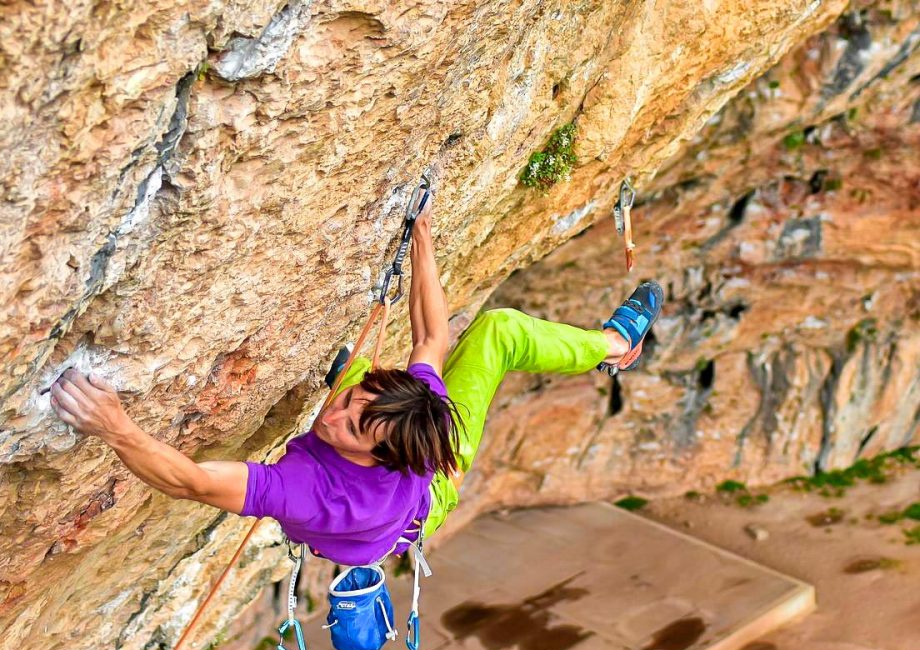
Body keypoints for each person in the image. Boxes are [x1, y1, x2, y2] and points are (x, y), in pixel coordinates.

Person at [50, 199, 663, 566]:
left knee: (477, 335)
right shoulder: (414, 409)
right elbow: (431, 338)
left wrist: (114, 426)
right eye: (349, 403)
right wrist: (421, 236)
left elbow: (191, 480)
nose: (332, 418)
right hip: (429, 456)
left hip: (422, 502)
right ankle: (610, 343)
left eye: (352, 428)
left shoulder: (318, 493)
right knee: (496, 331)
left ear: (385, 453)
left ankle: (615, 345)